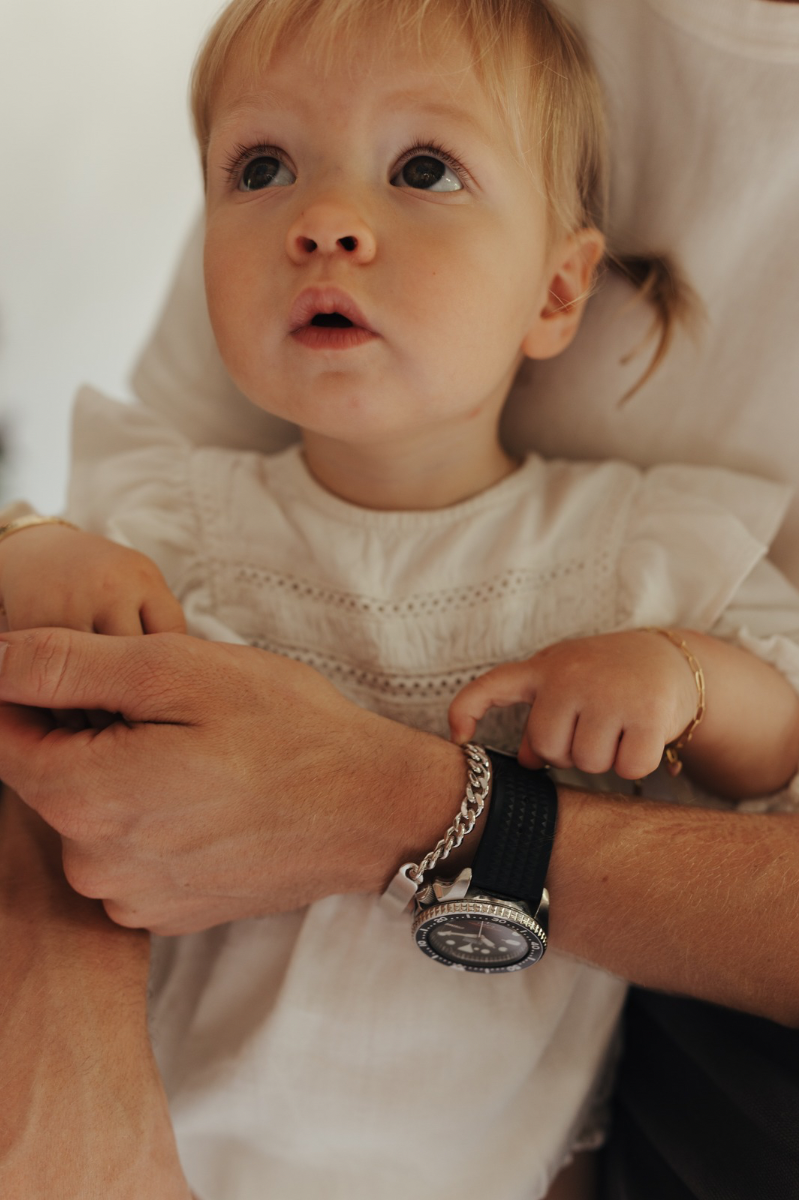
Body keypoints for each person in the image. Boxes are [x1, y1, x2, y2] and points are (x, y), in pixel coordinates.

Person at [1, 0, 799, 1198]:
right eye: (260, 169)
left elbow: (779, 743)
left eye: (423, 170)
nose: (323, 221)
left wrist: (686, 682)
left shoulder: (632, 551)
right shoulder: (173, 514)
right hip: (164, 1150)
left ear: (557, 291)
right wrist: (27, 559)